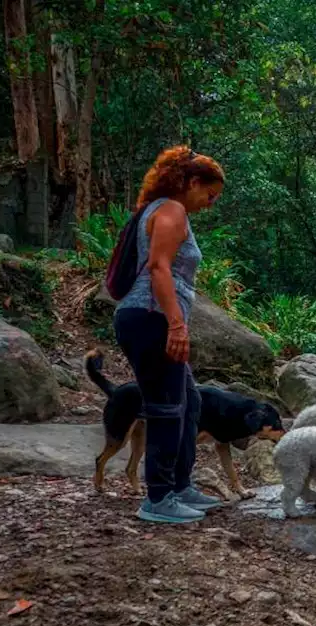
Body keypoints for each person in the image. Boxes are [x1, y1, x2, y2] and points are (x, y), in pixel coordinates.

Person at [114, 146, 225, 523]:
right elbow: (160, 268)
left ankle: (180, 485)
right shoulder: (171, 209)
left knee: (189, 400)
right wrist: (176, 324)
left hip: (150, 316)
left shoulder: (159, 208)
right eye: (208, 195)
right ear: (192, 182)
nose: (209, 204)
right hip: (151, 317)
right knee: (166, 408)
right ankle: (158, 500)